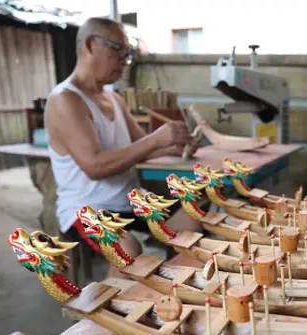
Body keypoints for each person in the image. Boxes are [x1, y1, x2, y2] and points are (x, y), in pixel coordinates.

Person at [44, 17, 199, 278]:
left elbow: (143, 149)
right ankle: (109, 314)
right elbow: (94, 166)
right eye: (119, 51)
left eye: (128, 53)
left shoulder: (113, 98)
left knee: (191, 217)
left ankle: (174, 288)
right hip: (86, 208)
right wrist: (156, 139)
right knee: (128, 250)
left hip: (129, 200)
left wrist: (175, 144)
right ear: (91, 45)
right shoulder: (66, 100)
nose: (125, 61)